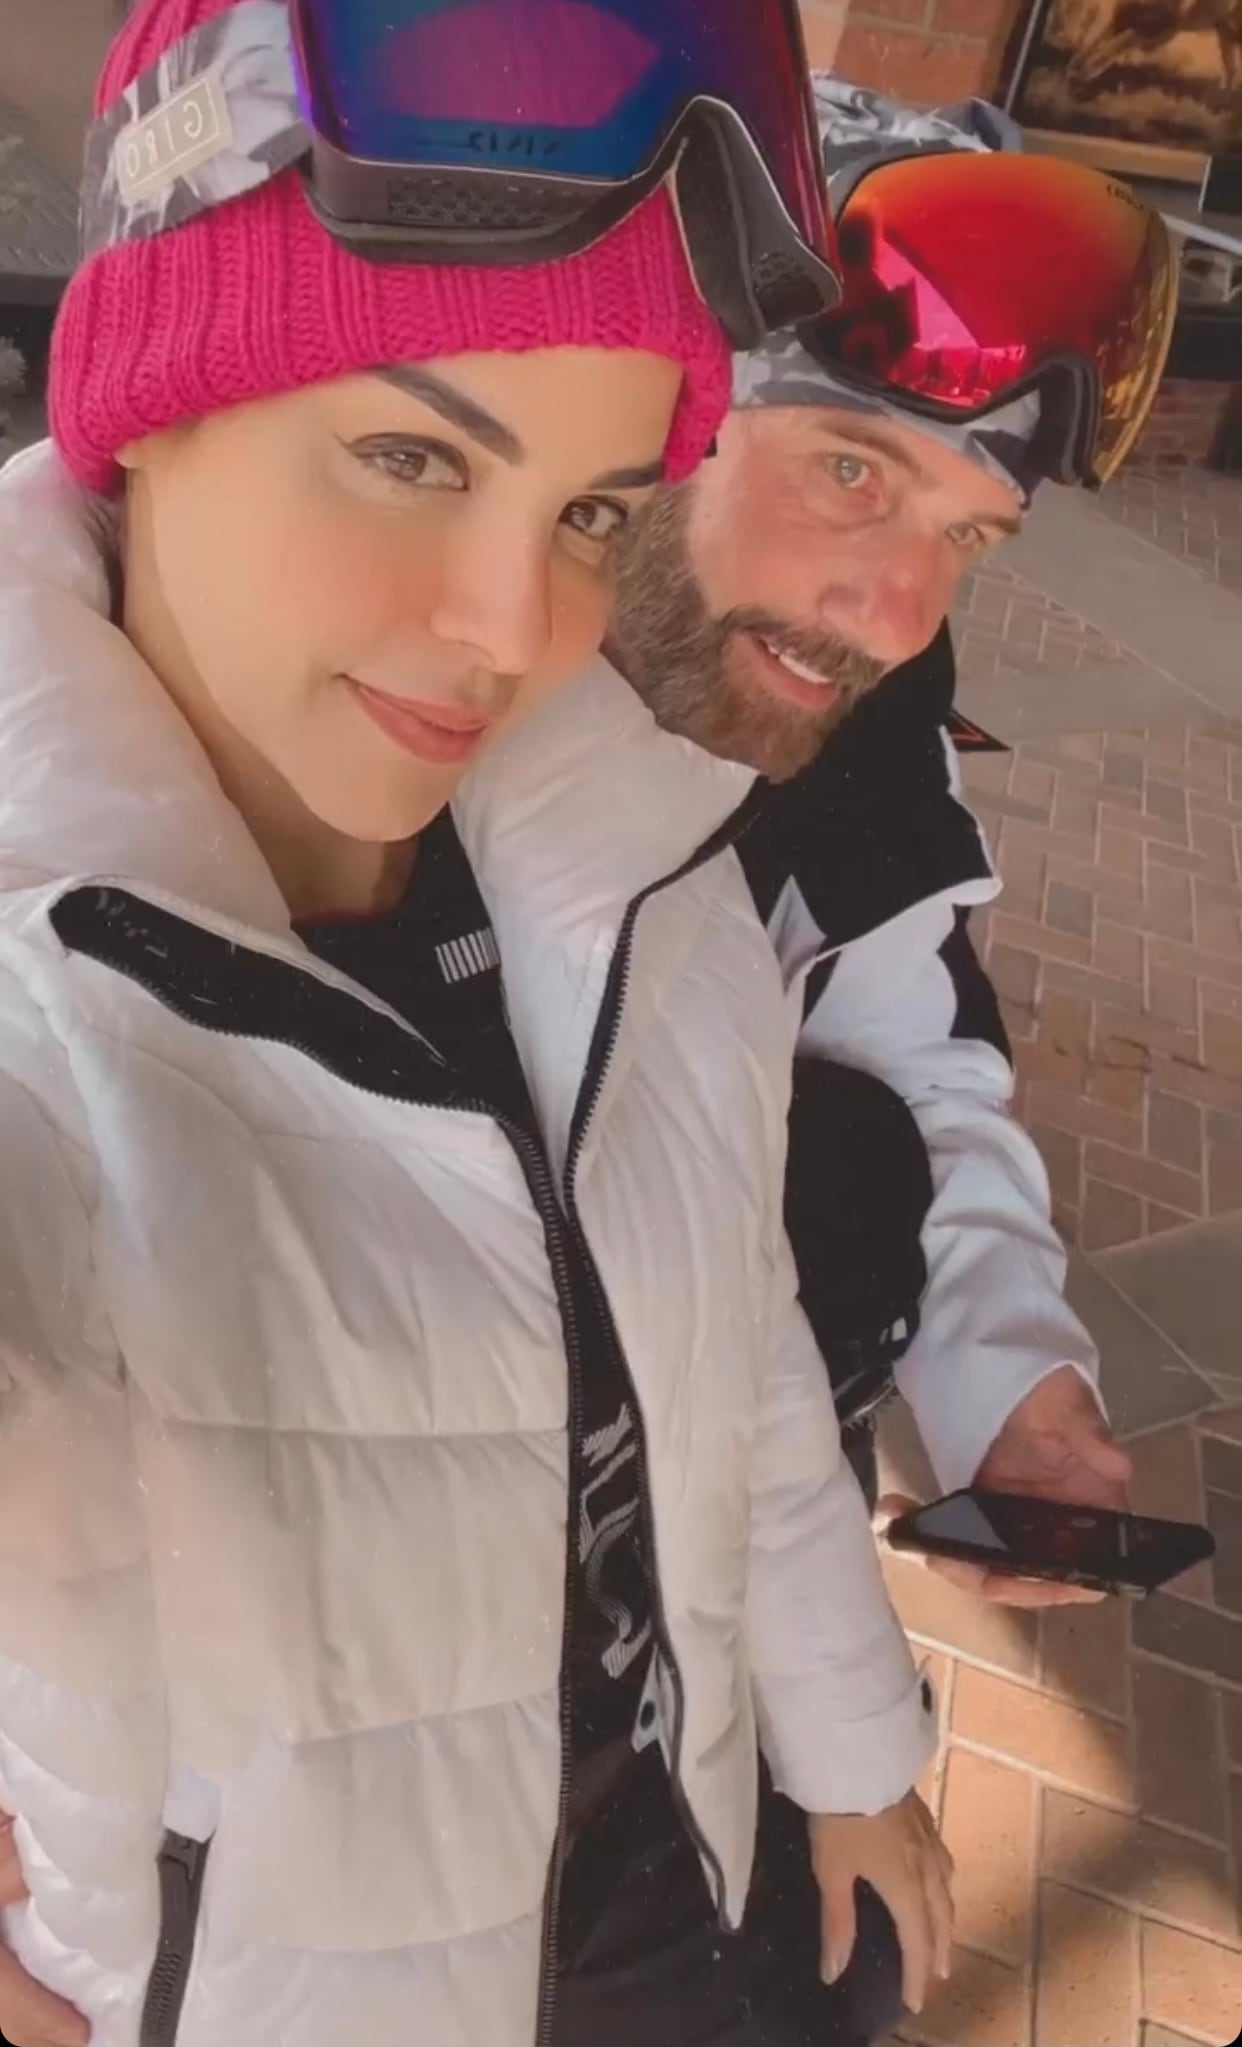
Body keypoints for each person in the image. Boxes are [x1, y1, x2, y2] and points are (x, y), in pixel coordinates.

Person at [0, 9, 952, 2047]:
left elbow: (742, 1354)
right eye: (412, 456)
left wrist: (857, 1748)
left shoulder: (631, 863)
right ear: (148, 405)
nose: (513, 633)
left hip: (671, 1880)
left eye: (595, 512)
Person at [614, 75, 1177, 1542]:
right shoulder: (381, 715)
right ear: (662, 410)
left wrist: (1007, 1383)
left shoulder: (862, 702)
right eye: (850, 470)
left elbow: (914, 1048)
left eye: (965, 534)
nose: (901, 614)